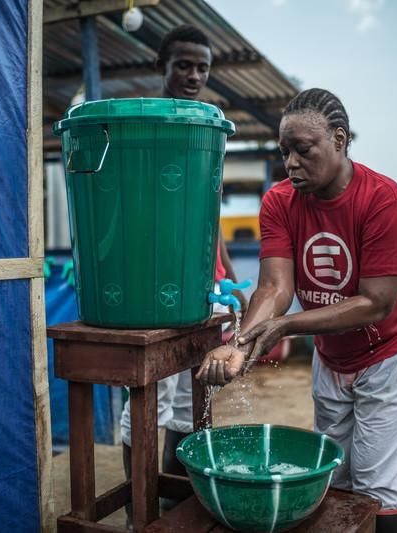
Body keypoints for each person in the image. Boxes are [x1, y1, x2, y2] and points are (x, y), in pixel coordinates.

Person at [196, 88, 397, 533]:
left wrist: (285, 327)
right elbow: (274, 285)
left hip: (395, 352)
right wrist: (241, 344)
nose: (290, 163)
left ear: (340, 140)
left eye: (303, 150)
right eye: (284, 151)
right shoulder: (281, 201)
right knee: (335, 473)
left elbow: (376, 303)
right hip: (333, 355)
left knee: (375, 485)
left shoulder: (384, 200)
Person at [118, 23, 246, 520]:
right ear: (162, 67)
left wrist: (228, 282)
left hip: (201, 285)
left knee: (194, 396)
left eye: (202, 68)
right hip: (154, 282)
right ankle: (138, 508)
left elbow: (209, 216)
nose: (194, 76)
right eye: (184, 66)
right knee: (152, 395)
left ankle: (173, 499)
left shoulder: (206, 129)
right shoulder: (147, 126)